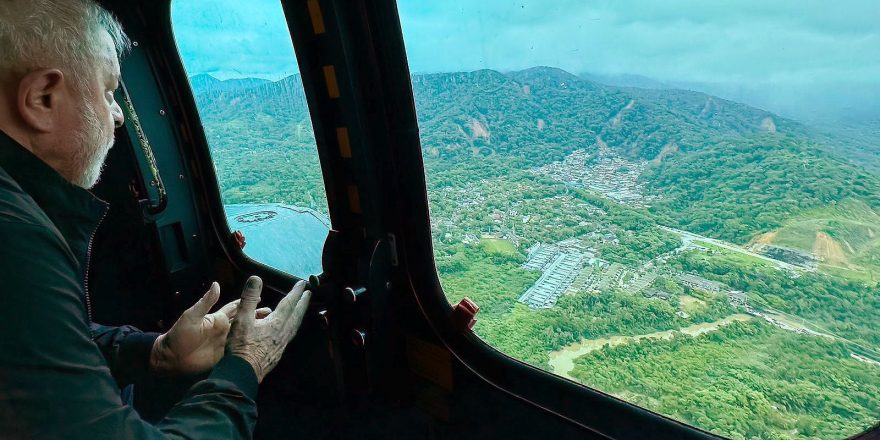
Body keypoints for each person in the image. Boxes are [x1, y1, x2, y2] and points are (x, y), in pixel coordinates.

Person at [0, 0, 311, 438]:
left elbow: (41, 346)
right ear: (42, 99)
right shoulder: (15, 240)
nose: (118, 116)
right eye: (108, 92)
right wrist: (245, 366)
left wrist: (155, 351)